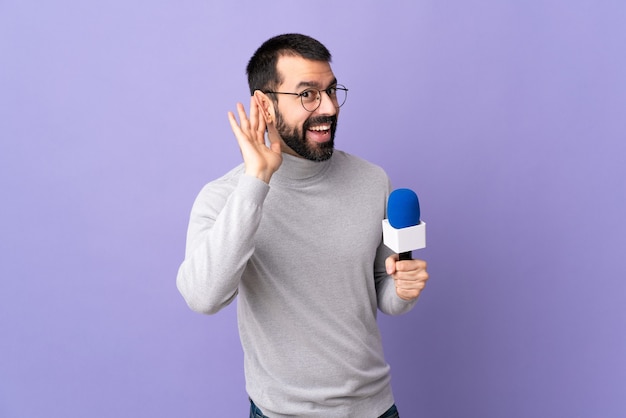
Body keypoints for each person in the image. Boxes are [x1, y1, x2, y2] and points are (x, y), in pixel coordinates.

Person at [176, 33, 429, 418]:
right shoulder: (225, 197)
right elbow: (203, 297)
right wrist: (256, 179)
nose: (328, 107)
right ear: (264, 104)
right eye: (308, 94)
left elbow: (385, 294)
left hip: (375, 409)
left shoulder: (372, 180)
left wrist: (404, 288)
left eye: (331, 91)